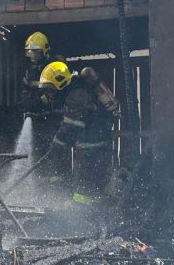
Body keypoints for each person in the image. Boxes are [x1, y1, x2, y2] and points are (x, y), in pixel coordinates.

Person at [39, 61, 119, 204]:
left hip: (91, 146)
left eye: (51, 88)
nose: (49, 93)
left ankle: (86, 216)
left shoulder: (76, 94)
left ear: (61, 82)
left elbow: (72, 125)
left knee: (85, 189)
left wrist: (56, 144)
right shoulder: (76, 90)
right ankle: (96, 212)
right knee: (92, 186)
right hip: (95, 143)